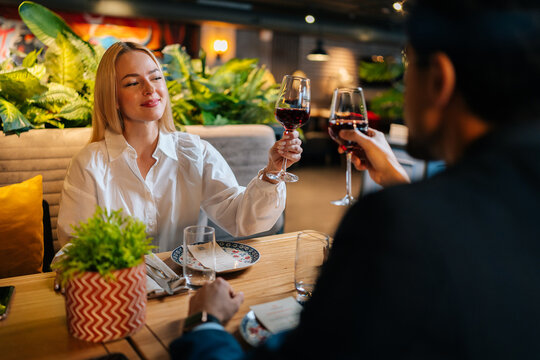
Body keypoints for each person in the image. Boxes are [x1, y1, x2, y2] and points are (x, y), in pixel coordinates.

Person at [170, 0, 540, 358]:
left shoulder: (393, 224)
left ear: (440, 78)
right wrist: (394, 176)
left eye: (407, 68)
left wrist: (204, 324)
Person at [57, 42, 303, 251]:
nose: (151, 89)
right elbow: (75, 250)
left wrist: (272, 172)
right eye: (133, 83)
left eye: (156, 77)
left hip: (187, 286)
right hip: (119, 293)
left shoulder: (195, 152)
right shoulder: (89, 164)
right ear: (113, 97)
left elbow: (243, 220)